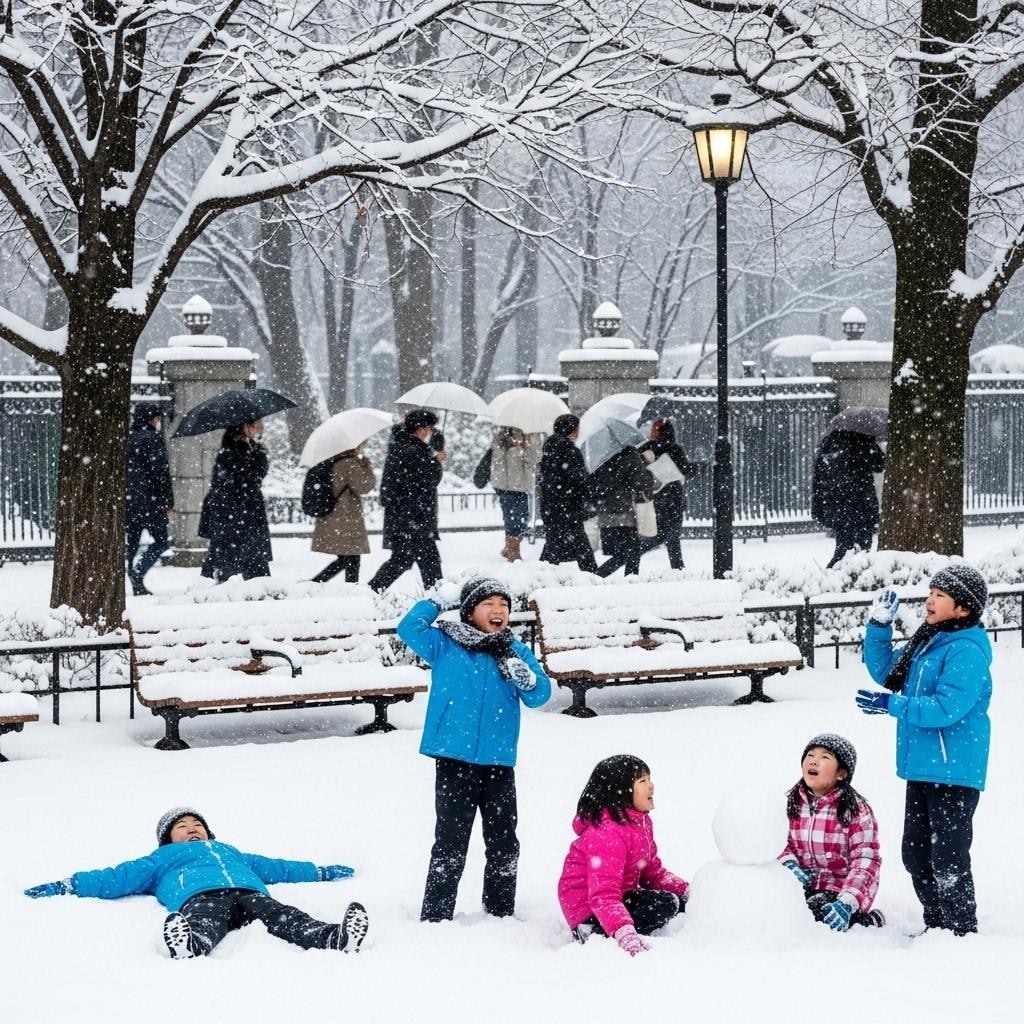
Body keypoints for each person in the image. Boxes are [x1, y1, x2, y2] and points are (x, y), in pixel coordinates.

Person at [396, 576, 551, 922]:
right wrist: (438, 600)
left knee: (504, 843)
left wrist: (527, 679)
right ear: (469, 611)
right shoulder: (445, 645)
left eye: (504, 606)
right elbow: (409, 628)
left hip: (498, 763)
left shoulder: (515, 652)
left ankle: (499, 914)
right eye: (489, 605)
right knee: (450, 842)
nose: (498, 612)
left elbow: (540, 694)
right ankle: (435, 917)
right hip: (453, 760)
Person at [23, 806, 369, 959]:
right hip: (200, 896)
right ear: (167, 838)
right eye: (182, 826)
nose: (192, 828)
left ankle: (334, 938)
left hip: (250, 893)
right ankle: (191, 944)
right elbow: (117, 877)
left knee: (286, 916)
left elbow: (276, 866)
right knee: (205, 921)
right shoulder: (160, 859)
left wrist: (319, 870)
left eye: (197, 823)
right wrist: (68, 884)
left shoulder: (229, 850)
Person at [857, 564, 992, 936]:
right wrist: (879, 628)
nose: (929, 601)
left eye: (940, 596)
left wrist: (893, 706)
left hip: (953, 770)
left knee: (948, 858)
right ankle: (938, 925)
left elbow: (946, 708)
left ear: (962, 608)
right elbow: (889, 673)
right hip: (922, 767)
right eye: (931, 592)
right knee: (915, 854)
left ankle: (961, 930)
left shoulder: (966, 651)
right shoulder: (930, 639)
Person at [557, 754, 688, 956]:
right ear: (621, 792)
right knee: (666, 905)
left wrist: (688, 891)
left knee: (677, 902)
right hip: (589, 911)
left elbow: (652, 872)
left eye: (649, 778)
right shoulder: (607, 833)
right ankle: (593, 933)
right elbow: (603, 894)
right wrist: (625, 933)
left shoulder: (639, 824)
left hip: (619, 895)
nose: (651, 786)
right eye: (642, 781)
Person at [779, 734, 885, 930]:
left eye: (825, 757)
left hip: (839, 891)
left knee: (816, 912)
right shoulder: (791, 804)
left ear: (841, 774)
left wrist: (848, 901)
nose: (814, 760)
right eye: (810, 755)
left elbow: (866, 859)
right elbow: (776, 843)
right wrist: (788, 865)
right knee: (777, 910)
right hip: (799, 886)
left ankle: (867, 922)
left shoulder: (856, 810)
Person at [368, 409, 445, 592]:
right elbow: (428, 480)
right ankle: (438, 599)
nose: (429, 431)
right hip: (413, 517)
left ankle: (371, 591)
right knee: (427, 560)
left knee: (404, 559)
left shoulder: (401, 446)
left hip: (405, 517)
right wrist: (436, 462)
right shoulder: (413, 450)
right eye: (427, 427)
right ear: (418, 427)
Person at [198, 420, 272, 581]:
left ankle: (218, 584)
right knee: (241, 561)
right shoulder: (233, 451)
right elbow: (249, 479)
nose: (255, 429)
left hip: (238, 514)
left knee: (241, 559)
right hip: (237, 513)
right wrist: (259, 457)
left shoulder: (242, 448)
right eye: (252, 426)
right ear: (243, 427)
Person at [811, 429, 885, 568]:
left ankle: (837, 573)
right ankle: (849, 574)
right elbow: (879, 464)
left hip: (839, 505)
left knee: (843, 546)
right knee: (862, 548)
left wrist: (818, 506)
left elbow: (819, 476)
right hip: (862, 504)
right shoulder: (863, 440)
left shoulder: (830, 442)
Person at [537, 414, 597, 572]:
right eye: (577, 428)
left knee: (554, 547)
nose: (578, 432)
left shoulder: (549, 450)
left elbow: (548, 481)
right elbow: (577, 480)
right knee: (582, 551)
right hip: (568, 509)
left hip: (551, 508)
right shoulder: (570, 451)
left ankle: (542, 576)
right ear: (571, 429)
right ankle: (596, 580)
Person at [126, 403, 174, 596]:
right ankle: (138, 572)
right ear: (151, 419)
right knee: (162, 541)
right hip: (151, 501)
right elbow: (161, 473)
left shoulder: (129, 439)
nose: (159, 421)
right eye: (157, 418)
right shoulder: (153, 439)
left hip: (130, 501)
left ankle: (134, 574)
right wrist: (168, 503)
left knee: (134, 541)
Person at [638, 418, 700, 570]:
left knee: (664, 537)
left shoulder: (646, 449)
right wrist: (697, 466)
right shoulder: (674, 449)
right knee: (670, 537)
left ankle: (678, 569)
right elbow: (685, 470)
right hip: (673, 499)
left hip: (654, 500)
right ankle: (678, 568)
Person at [310, 446, 375, 584]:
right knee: (351, 559)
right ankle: (318, 584)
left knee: (347, 559)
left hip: (335, 517)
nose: (361, 446)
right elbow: (365, 486)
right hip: (346, 519)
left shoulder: (333, 459)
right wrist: (366, 467)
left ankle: (319, 583)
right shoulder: (349, 463)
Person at [589, 446, 655, 577]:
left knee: (628, 552)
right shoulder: (632, 459)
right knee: (632, 551)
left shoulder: (611, 458)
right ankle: (601, 576)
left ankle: (601, 575)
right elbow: (641, 482)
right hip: (621, 512)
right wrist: (649, 474)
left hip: (606, 511)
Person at [490, 426, 539, 562]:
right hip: (505, 485)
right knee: (513, 518)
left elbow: (534, 459)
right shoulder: (500, 436)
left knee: (521, 517)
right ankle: (513, 550)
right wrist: (514, 446)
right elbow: (498, 457)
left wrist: (527, 446)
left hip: (521, 486)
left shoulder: (528, 435)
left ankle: (510, 546)